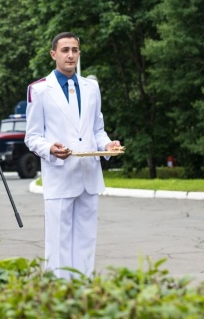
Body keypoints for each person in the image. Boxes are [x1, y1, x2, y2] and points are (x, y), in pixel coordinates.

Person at [25, 32, 121, 279]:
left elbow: (97, 129)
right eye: (65, 50)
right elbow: (32, 137)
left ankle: (83, 287)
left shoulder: (91, 87)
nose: (70, 55)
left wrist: (108, 144)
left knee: (87, 239)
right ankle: (58, 289)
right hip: (60, 175)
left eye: (75, 50)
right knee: (58, 240)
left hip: (89, 175)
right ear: (53, 54)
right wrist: (50, 149)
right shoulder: (39, 89)